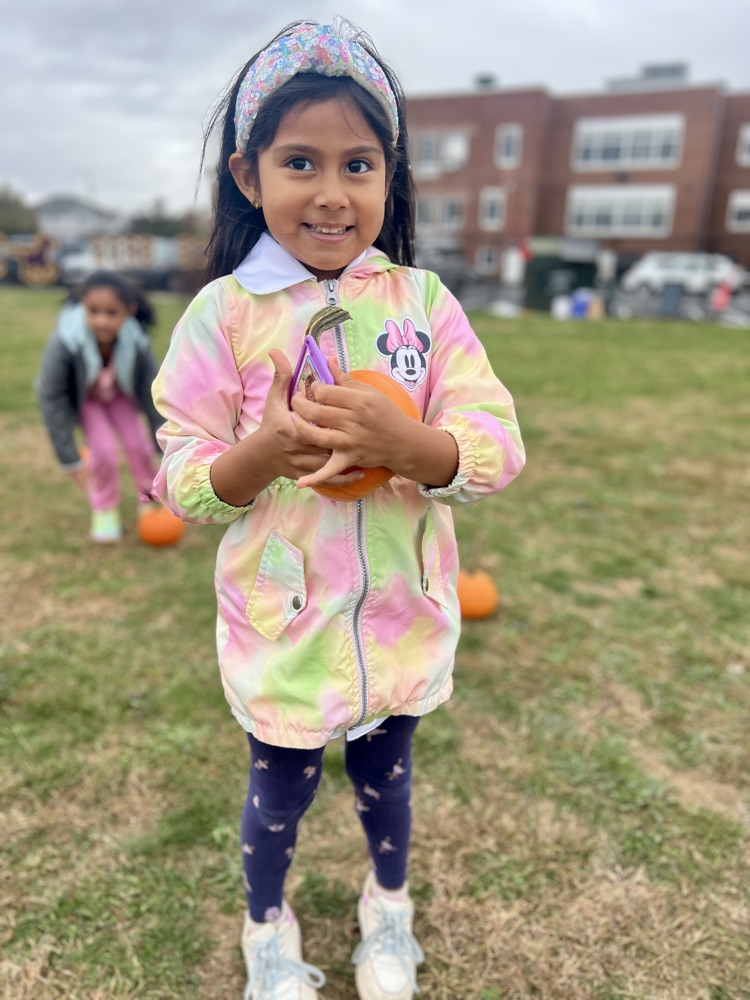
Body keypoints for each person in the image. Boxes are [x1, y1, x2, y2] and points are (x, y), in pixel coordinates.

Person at [151, 18, 525, 1000]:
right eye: (300, 161)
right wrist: (262, 452)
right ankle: (265, 929)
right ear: (248, 174)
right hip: (284, 623)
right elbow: (180, 477)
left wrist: (420, 450)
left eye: (358, 163)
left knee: (387, 782)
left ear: (389, 178)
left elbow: (497, 443)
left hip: (402, 619)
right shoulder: (221, 318)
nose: (330, 191)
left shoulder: (424, 304)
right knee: (278, 788)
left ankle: (386, 912)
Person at [37, 270, 164, 543]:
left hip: (119, 395)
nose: (101, 321)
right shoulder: (65, 341)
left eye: (111, 313)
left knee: (138, 447)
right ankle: (104, 508)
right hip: (89, 400)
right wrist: (68, 456)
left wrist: (162, 436)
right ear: (83, 306)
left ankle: (150, 499)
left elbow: (153, 389)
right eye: (93, 311)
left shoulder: (137, 341)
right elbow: (51, 395)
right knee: (103, 452)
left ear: (128, 311)